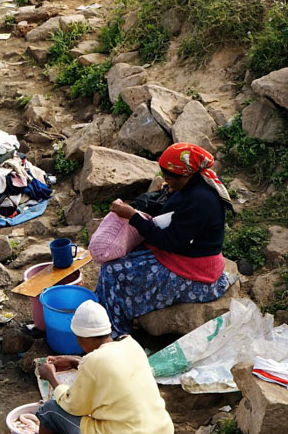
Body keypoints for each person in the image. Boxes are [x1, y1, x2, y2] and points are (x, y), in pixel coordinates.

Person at [6, 299, 174, 434]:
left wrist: (51, 377)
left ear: (81, 338)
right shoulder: (131, 345)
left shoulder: (94, 361)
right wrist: (78, 362)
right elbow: (110, 369)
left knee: (49, 412)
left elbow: (71, 405)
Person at [96, 143, 233, 336]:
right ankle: (108, 315)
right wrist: (172, 190)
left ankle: (115, 333)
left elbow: (169, 241)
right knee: (123, 260)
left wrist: (133, 217)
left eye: (170, 176)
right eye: (164, 173)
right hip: (185, 254)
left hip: (196, 273)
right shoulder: (197, 182)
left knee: (112, 270)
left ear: (186, 174)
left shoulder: (200, 201)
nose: (166, 178)